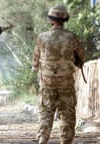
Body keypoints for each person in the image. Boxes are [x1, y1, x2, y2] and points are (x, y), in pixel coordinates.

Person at [32, 5, 85, 144]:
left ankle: (43, 139)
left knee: (45, 112)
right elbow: (81, 57)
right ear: (65, 20)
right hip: (66, 83)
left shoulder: (42, 37)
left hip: (47, 82)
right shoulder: (71, 37)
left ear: (51, 20)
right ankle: (66, 140)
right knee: (67, 113)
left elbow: (35, 62)